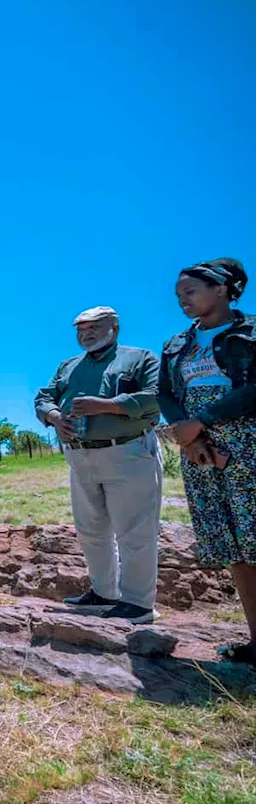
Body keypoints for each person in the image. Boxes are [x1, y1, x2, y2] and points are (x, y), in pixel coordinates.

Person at [35, 306, 164, 624]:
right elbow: (43, 397)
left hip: (127, 452)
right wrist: (54, 418)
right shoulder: (68, 366)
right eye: (81, 329)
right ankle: (103, 593)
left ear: (115, 328)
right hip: (79, 456)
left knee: (134, 530)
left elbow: (157, 396)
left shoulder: (140, 358)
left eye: (94, 327)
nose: (86, 333)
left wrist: (105, 406)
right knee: (90, 529)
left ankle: (138, 604)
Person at [159, 258, 256, 665]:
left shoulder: (250, 332)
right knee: (235, 545)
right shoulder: (177, 345)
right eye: (178, 295)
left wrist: (202, 422)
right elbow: (165, 392)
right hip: (202, 449)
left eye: (191, 291)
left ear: (222, 289)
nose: (183, 300)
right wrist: (189, 438)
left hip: (246, 442)